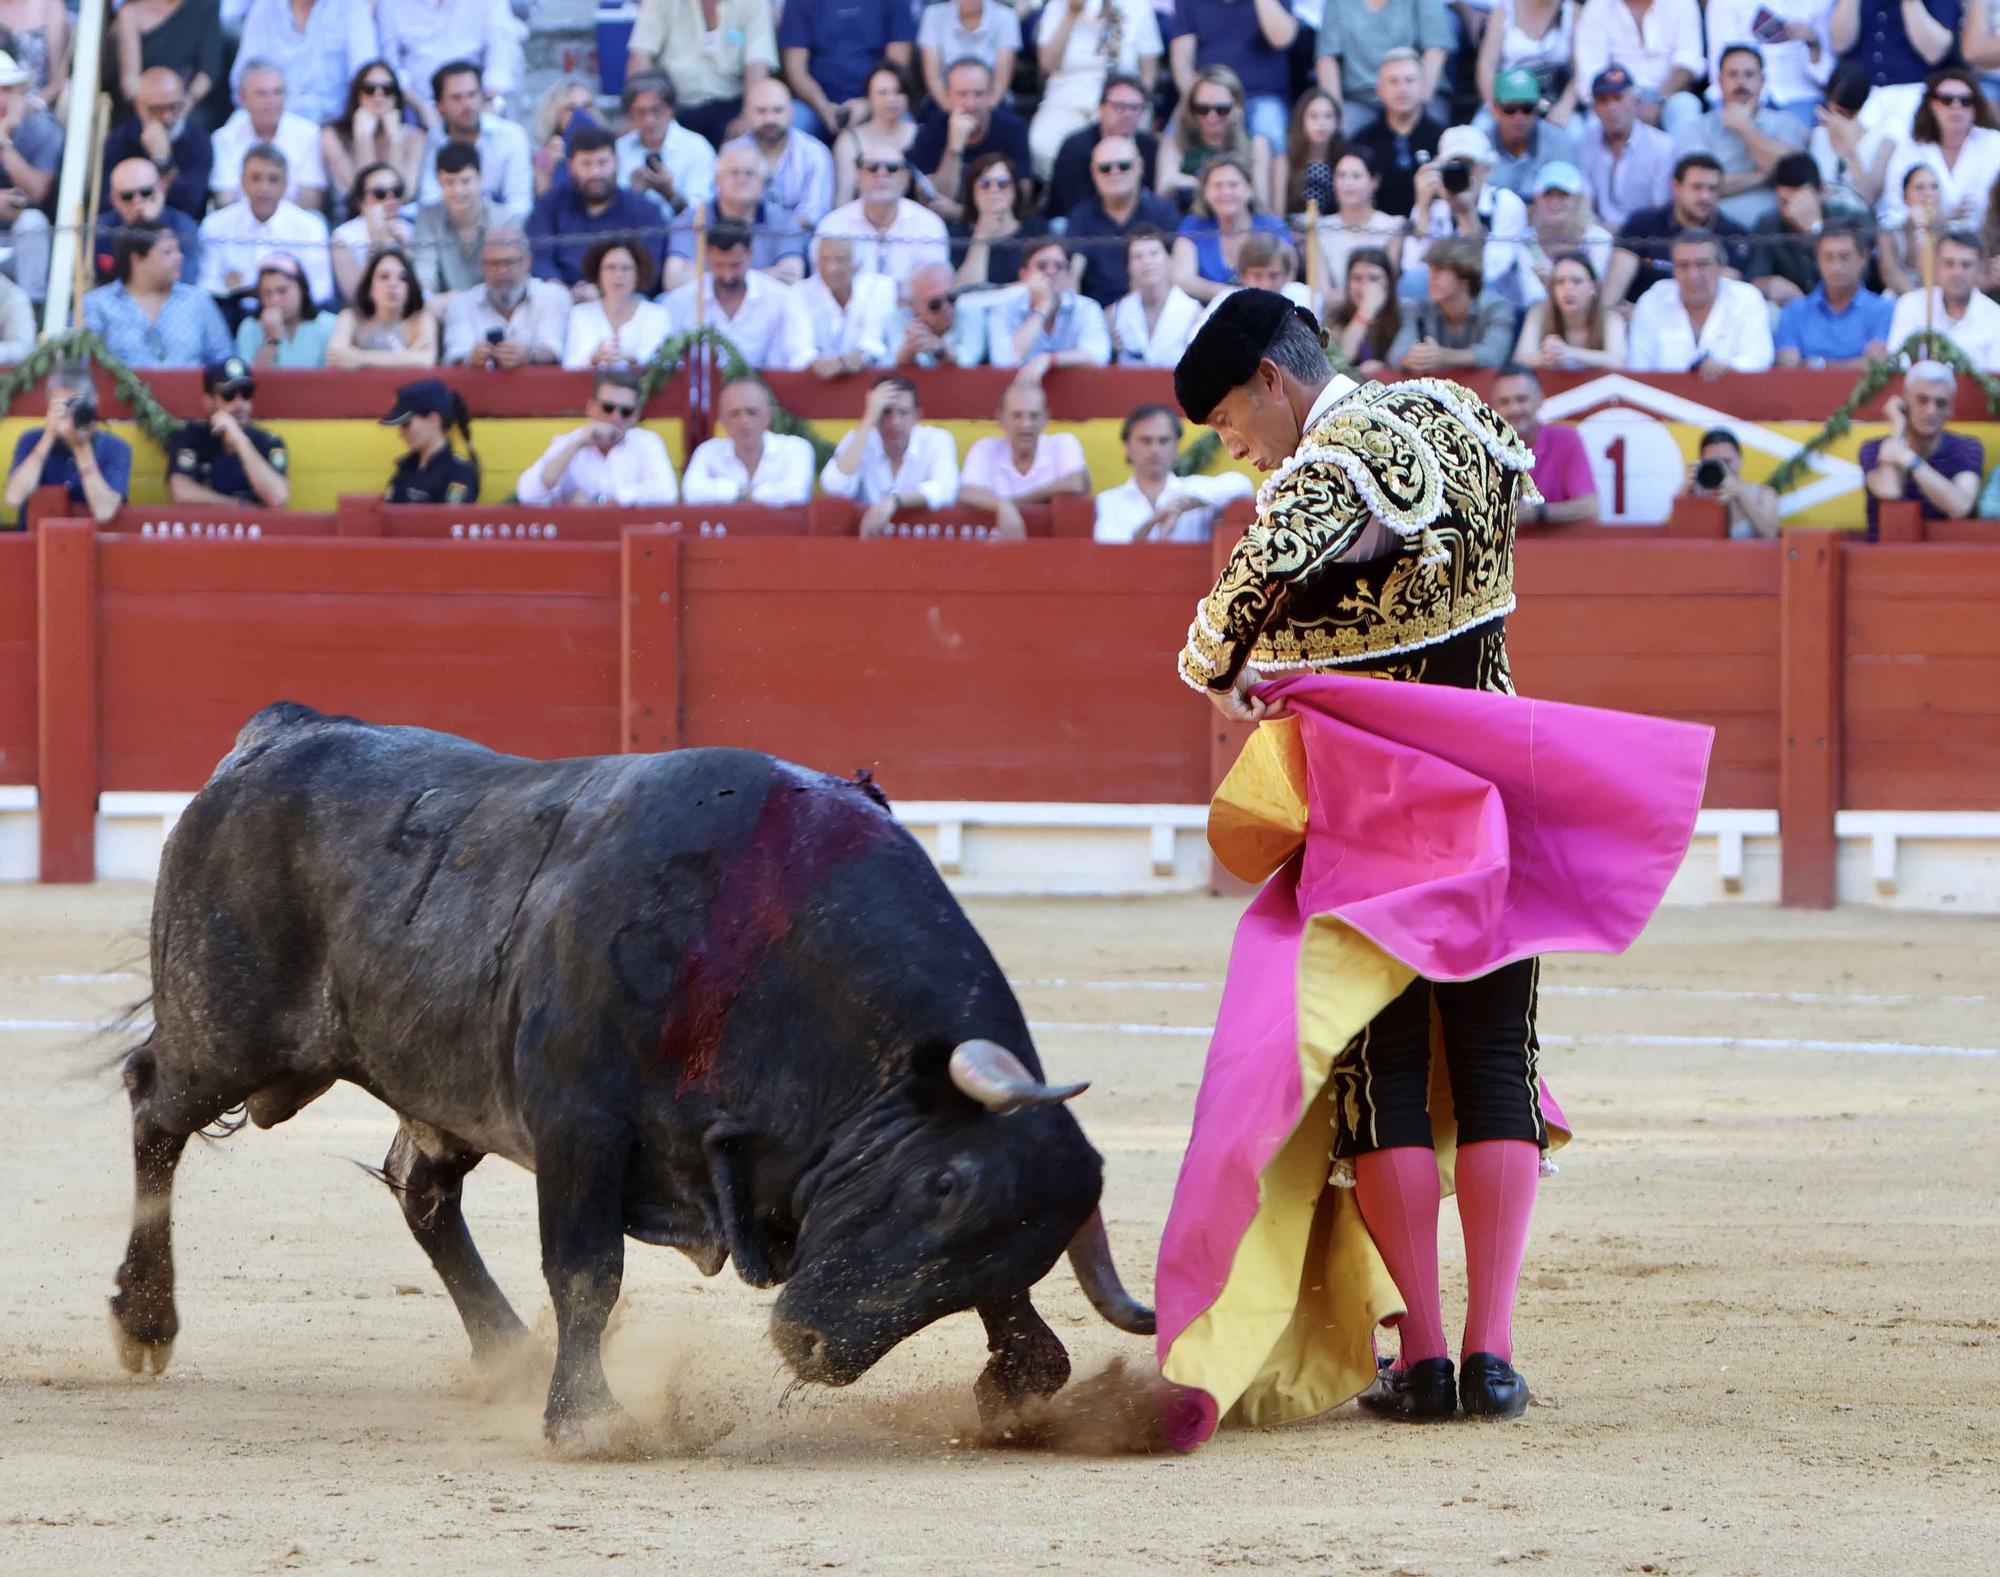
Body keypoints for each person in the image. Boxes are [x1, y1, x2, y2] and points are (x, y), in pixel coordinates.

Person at [1158, 290, 1703, 1447]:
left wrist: (1225, 673)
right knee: (1496, 1058)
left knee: (1384, 1072)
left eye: (1227, 419)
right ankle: (1493, 1357)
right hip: (1497, 795)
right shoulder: (1461, 417)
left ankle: (1428, 1356)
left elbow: (1221, 624)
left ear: (1270, 378)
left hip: (1377, 820)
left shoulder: (1326, 466)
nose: (1235, 446)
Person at [1405, 123, 1538, 311]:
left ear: (1487, 169)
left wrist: (1465, 214)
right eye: (1453, 166)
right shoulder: (1434, 206)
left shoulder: (1505, 203)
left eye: (1468, 166)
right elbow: (1412, 268)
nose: (1461, 173)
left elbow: (1491, 272)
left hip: (1498, 302)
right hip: (1444, 304)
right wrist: (1423, 209)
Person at [1030, 0, 1164, 182]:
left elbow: (1148, 72)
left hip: (1120, 100)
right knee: (1041, 145)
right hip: (1066, 99)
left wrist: (1137, 104)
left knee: (1121, 149)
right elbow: (1048, 64)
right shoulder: (1058, 5)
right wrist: (1071, 14)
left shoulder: (1138, 6)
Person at [526, 127, 666, 297]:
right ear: (571, 167)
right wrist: (561, 291)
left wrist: (601, 291)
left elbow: (649, 268)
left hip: (624, 300)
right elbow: (539, 259)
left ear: (616, 163)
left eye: (602, 163)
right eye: (586, 164)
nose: (595, 173)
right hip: (562, 300)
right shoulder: (549, 206)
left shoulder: (644, 210)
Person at [1687, 44, 1813, 231]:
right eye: (1733, 75)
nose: (1741, 83)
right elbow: (1699, 188)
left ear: (1762, 81)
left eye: (1749, 75)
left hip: (1778, 230)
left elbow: (1793, 175)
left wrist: (1745, 128)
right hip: (1716, 229)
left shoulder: (1786, 123)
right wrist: (1763, 176)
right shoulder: (1699, 127)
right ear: (1720, 81)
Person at [818, 372, 960, 535]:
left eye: (903, 413)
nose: (895, 421)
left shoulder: (937, 439)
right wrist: (868, 420)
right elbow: (834, 487)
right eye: (886, 412)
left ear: (917, 416)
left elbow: (946, 488)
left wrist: (894, 501)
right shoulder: (858, 438)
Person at [662, 221, 816, 370]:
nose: (727, 275)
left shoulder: (781, 298)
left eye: (735, 265)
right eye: (719, 265)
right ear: (707, 256)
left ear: (750, 254)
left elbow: (799, 352)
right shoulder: (680, 301)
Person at [1607, 153, 1756, 305]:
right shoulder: (1642, 223)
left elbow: (1714, 291)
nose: (1705, 196)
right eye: (1697, 187)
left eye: (1712, 189)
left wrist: (1646, 312)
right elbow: (1614, 288)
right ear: (1676, 187)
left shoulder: (1735, 234)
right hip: (1636, 313)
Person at [1091, 401, 1251, 541]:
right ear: (1127, 446)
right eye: (1145, 441)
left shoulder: (1193, 489)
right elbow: (1108, 550)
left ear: (1176, 447)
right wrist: (1152, 522)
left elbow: (1242, 484)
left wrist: (1186, 503)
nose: (1155, 449)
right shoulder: (1109, 501)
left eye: (1164, 441)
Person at [515, 370, 678, 507]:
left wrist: (599, 501)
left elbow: (666, 492)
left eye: (626, 411)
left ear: (635, 416)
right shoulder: (571, 442)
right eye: (608, 408)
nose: (616, 417)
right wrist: (578, 443)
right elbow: (528, 493)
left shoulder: (647, 442)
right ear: (591, 408)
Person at [198, 144, 335, 306]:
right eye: (256, 178)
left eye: (273, 179)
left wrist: (246, 287)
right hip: (233, 312)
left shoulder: (310, 227)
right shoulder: (215, 225)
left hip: (294, 315)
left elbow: (321, 289)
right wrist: (227, 289)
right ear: (242, 183)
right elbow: (205, 286)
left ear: (285, 185)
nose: (264, 188)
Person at [625, 0, 776, 144]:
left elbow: (758, 61)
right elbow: (641, 54)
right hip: (675, 107)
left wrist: (748, 115)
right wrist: (638, 112)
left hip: (731, 106)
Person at [1860, 361, 1983, 537]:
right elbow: (1889, 491)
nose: (1931, 411)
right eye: (1922, 400)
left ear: (1950, 410)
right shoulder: (1873, 448)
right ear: (1905, 402)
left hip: (1946, 558)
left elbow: (1960, 506)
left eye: (1940, 403)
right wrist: (1898, 428)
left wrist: (1909, 459)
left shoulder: (1966, 447)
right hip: (1883, 556)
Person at [85, 223, 233, 368]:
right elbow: (84, 364)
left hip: (189, 391)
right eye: (168, 252)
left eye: (178, 250)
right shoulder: (98, 304)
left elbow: (224, 359)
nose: (179, 257)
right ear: (137, 260)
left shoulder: (197, 300)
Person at [956, 380, 1092, 537]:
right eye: (1017, 416)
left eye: (1034, 416)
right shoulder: (985, 448)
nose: (1026, 425)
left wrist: (1012, 504)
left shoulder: (1063, 443)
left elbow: (1077, 483)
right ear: (1000, 419)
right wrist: (1002, 506)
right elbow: (967, 491)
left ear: (1045, 419)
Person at [1629, 231, 1777, 374]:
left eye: (1702, 265)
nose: (1693, 276)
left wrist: (1730, 366)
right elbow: (1638, 368)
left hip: (1732, 395)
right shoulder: (1652, 300)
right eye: (1683, 265)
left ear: (1721, 268)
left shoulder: (1746, 298)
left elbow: (1759, 360)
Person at [666, 143, 810, 290]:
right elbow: (673, 281)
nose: (742, 179)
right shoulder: (692, 219)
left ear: (763, 183)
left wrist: (707, 275)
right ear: (717, 180)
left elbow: (792, 279)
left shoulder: (784, 220)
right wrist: (767, 274)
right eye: (734, 173)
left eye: (749, 173)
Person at [3, 363, 130, 525]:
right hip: (36, 542)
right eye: (64, 406)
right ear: (50, 406)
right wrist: (48, 437)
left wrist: (81, 447)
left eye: (77, 405)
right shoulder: (31, 440)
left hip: (91, 543)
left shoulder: (116, 448)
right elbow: (14, 498)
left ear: (94, 403)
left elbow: (104, 512)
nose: (71, 413)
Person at [1166, 0, 1298, 154]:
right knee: (1172, 137)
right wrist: (1198, 101)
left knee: (1270, 135)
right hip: (1207, 98)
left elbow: (1282, 39)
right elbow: (1181, 62)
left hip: (1261, 96)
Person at [1879, 66, 2000, 231]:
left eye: (1965, 101)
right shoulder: (1910, 148)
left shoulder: (1995, 144)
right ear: (1931, 105)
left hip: (1984, 245)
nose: (1956, 107)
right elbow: (1893, 210)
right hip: (1923, 245)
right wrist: (1939, 220)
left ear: (1975, 107)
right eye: (1946, 100)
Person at [1066, 133, 1180, 307]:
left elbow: (1176, 270)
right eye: (1105, 168)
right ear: (1093, 172)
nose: (1115, 173)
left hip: (1154, 312)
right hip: (1097, 315)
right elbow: (1073, 274)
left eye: (1124, 165)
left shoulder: (1163, 212)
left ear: (1140, 167)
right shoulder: (1081, 216)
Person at [910, 56, 1031, 219]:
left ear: (990, 95)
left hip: (998, 224)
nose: (970, 104)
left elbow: (1021, 197)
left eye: (978, 94)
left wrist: (962, 213)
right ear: (948, 96)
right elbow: (935, 199)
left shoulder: (1013, 129)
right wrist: (955, 147)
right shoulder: (932, 129)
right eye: (962, 94)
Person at [1314, 0, 1454, 136]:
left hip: (1414, 95)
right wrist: (1334, 112)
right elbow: (1327, 57)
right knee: (1339, 132)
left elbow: (1435, 48)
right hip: (1360, 99)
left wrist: (1419, 102)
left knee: (1434, 131)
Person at [166, 357, 291, 507]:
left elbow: (278, 497)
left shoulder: (268, 442)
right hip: (205, 528)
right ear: (209, 401)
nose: (240, 404)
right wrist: (237, 505)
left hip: (259, 529)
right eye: (229, 395)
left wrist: (240, 440)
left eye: (246, 393)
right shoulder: (190, 437)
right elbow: (182, 493)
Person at [779, 0, 915, 139]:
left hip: (880, 98)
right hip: (814, 104)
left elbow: (896, 66)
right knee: (787, 125)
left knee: (910, 135)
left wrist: (867, 103)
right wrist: (824, 108)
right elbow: (796, 71)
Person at [232, 0, 379, 126]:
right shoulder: (265, 6)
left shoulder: (352, 5)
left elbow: (365, 75)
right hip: (273, 124)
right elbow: (242, 77)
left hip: (330, 128)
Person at [814, 151, 951, 287]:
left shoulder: (929, 224)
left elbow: (933, 287)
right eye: (872, 168)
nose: (881, 174)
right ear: (858, 175)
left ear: (906, 177)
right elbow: (824, 285)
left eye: (892, 168)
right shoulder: (832, 225)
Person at [1572, 0, 1706, 139]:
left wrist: (1658, 100)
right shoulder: (1597, 7)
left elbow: (1689, 61)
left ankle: (1687, 161)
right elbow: (1590, 74)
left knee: (1686, 106)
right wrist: (1626, 104)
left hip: (1668, 94)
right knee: (1594, 124)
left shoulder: (1681, 3)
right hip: (1616, 95)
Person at [420, 60, 532, 222]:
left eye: (472, 95)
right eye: (456, 97)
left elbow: (520, 204)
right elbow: (429, 201)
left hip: (503, 234)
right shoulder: (432, 141)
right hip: (447, 236)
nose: (467, 104)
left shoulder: (511, 135)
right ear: (439, 105)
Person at [1489, 363, 1599, 526]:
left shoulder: (1565, 438)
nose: (1514, 409)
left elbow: (1590, 508)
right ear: (1494, 408)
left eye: (1521, 399)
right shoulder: (1480, 446)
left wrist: (1536, 513)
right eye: (1505, 402)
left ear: (1540, 400)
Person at [442, 225, 569, 366]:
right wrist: (471, 358)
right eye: (493, 263)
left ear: (527, 261)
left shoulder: (552, 296)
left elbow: (553, 350)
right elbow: (455, 355)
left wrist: (528, 356)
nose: (501, 271)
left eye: (509, 262)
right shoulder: (461, 304)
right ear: (482, 265)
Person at [1346, 49, 1451, 218]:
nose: (1402, 89)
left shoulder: (1445, 140)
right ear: (1379, 89)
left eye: (1409, 80)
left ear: (1424, 86)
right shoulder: (1362, 142)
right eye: (1393, 81)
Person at [211, 60, 329, 212]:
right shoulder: (224, 138)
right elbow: (224, 200)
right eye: (262, 93)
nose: (272, 101)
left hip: (294, 226)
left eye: (277, 92)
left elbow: (312, 200)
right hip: (240, 226)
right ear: (242, 98)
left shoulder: (309, 133)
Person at [1173, 154, 1289, 304]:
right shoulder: (1193, 226)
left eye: (1233, 185)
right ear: (1205, 193)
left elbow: (1287, 273)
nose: (1226, 192)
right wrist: (1230, 295)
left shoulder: (1272, 227)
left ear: (1250, 190)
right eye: (1217, 186)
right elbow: (1183, 278)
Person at [682, 377, 817, 505]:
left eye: (752, 412)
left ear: (768, 415)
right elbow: (691, 492)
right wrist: (739, 492)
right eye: (734, 414)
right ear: (722, 420)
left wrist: (741, 494)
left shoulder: (796, 448)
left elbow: (797, 492)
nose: (744, 421)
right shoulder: (708, 451)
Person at [1775, 220, 1893, 365]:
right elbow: (1788, 366)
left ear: (1863, 258)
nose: (1836, 267)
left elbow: (1876, 365)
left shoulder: (1884, 310)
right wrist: (1856, 363)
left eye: (1845, 257)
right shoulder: (1794, 311)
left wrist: (1813, 364)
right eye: (1828, 257)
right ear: (1818, 260)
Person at [100, 66, 210, 221]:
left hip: (175, 228)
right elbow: (105, 202)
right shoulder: (120, 140)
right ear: (139, 106)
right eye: (157, 109)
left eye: (175, 107)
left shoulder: (198, 140)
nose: (167, 117)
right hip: (125, 225)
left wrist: (163, 161)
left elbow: (190, 205)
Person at [1573, 65, 1675, 231]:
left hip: (1648, 238)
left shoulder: (1662, 147)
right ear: (1594, 108)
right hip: (1599, 236)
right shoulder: (1583, 145)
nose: (1611, 107)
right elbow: (1585, 207)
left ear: (1636, 102)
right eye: (1603, 100)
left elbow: (1660, 210)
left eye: (1617, 98)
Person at [1388, 238, 1515, 371]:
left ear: (1466, 275)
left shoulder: (1497, 307)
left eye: (1441, 270)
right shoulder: (1419, 308)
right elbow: (1396, 354)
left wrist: (1444, 357)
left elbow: (1495, 355)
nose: (1432, 277)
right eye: (1431, 269)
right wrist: (1412, 359)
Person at [322, 61, 428, 221]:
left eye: (387, 89)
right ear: (357, 95)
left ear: (396, 95)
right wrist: (363, 139)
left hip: (400, 221)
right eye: (369, 90)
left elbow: (403, 196)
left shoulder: (415, 137)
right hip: (350, 221)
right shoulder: (332, 135)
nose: (378, 97)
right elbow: (361, 196)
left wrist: (395, 141)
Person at [1045, 70, 1160, 217]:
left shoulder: (1149, 147)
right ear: (1101, 108)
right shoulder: (1075, 148)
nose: (1128, 114)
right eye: (1119, 106)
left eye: (1135, 108)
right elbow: (1073, 205)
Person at [989, 237, 1113, 373]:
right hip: (1019, 390)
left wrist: (1050, 360)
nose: (1051, 272)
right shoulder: (1004, 310)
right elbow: (1004, 361)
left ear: (1068, 275)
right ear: (1024, 275)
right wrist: (1041, 309)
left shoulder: (1087, 308)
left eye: (1059, 266)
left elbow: (1099, 356)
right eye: (1042, 266)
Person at [377, 0, 518, 117]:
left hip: (479, 101)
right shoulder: (390, 4)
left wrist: (489, 102)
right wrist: (422, 108)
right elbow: (390, 64)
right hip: (418, 106)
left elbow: (501, 53)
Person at [1158, 65, 1269, 210]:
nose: (1212, 116)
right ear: (1191, 109)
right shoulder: (1175, 142)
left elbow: (1260, 202)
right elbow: (1164, 189)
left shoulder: (1255, 144)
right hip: (1187, 226)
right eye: (1202, 109)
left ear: (1237, 107)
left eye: (1222, 109)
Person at [729, 78, 834, 229]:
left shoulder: (815, 153)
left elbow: (813, 215)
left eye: (778, 110)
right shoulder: (731, 153)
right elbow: (724, 208)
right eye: (761, 111)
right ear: (746, 114)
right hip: (743, 241)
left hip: (799, 241)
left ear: (791, 112)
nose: (770, 119)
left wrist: (773, 234)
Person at [1886, 227, 2000, 365]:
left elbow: (1994, 377)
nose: (1957, 272)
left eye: (1966, 265)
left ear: (1980, 268)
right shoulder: (1911, 305)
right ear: (1936, 266)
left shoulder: (1995, 317)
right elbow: (1897, 363)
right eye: (1949, 263)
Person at [1707, 0, 1833, 123]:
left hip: (1798, 95)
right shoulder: (1723, 2)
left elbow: (1825, 76)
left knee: (1798, 135)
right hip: (1739, 93)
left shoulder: (1820, 3)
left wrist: (1812, 41)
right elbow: (1721, 68)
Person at [1311, 148, 1407, 309]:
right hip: (1335, 316)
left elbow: (1387, 288)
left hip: (1380, 314)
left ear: (1374, 182)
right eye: (1341, 176)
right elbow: (1324, 294)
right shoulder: (1320, 229)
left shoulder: (1393, 227)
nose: (1348, 183)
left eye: (1356, 176)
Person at [616, 72, 715, 224]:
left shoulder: (697, 148)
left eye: (656, 110)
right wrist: (633, 196)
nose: (649, 120)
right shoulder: (619, 149)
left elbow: (703, 216)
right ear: (631, 115)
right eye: (641, 112)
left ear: (671, 110)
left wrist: (670, 193)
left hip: (684, 239)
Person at [0, 49, 59, 302]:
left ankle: (32, 324)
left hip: (19, 244)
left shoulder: (43, 131)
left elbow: (37, 192)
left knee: (32, 222)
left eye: (8, 90)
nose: (1, 100)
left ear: (22, 95)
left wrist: (4, 144)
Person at [113, 0, 224, 127]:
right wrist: (152, 111)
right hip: (145, 106)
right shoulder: (129, 13)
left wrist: (183, 105)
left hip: (188, 107)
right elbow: (130, 81)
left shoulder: (205, 6)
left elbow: (208, 71)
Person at [94, 156, 201, 286]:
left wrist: (150, 227)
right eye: (127, 196)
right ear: (114, 199)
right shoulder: (99, 229)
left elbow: (183, 283)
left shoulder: (183, 226)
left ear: (161, 189)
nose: (137, 201)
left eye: (146, 192)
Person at [799, 234, 898, 374]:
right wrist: (815, 361)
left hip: (868, 377)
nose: (831, 268)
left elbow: (874, 339)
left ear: (857, 264)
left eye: (840, 260)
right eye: (824, 259)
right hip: (815, 381)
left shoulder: (881, 287)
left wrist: (861, 356)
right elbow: (798, 347)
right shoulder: (798, 292)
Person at [1475, 0, 1582, 130]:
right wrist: (1496, 108)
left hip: (1553, 99)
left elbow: (1582, 69)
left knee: (1576, 132)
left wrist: (1565, 106)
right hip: (1510, 99)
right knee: (1480, 131)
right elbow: (1486, 66)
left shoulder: (1572, 12)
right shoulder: (1504, 10)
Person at [1513, 248, 1627, 367]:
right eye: (1560, 282)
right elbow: (1521, 359)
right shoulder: (1539, 312)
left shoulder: (1611, 318)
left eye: (1577, 281)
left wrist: (1569, 353)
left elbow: (1618, 361)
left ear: (1594, 287)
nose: (1568, 288)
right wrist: (1546, 357)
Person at [411, 143, 499, 297]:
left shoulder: (503, 218)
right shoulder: (428, 216)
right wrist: (428, 298)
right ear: (439, 181)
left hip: (492, 304)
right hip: (445, 305)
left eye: (465, 181)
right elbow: (424, 271)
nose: (458, 190)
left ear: (480, 179)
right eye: (449, 182)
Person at [327, 247, 439, 367]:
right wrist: (409, 355)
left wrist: (359, 358)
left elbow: (426, 360)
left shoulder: (422, 319)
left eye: (402, 278)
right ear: (370, 287)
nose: (393, 283)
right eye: (384, 276)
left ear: (409, 287)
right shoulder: (351, 317)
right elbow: (335, 356)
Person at [951, 152, 1048, 288]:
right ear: (972, 192)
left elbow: (1043, 283)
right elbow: (966, 292)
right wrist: (981, 236)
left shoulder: (1037, 230)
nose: (994, 190)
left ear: (1014, 190)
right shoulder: (957, 236)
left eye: (1003, 184)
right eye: (985, 184)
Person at [1111, 225, 1204, 365]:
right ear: (1128, 267)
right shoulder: (1114, 314)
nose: (1147, 262)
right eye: (1137, 256)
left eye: (1153, 253)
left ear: (1169, 259)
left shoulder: (1195, 313)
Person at [1812, 58, 1895, 211]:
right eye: (1837, 111)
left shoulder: (1883, 143)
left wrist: (1850, 150)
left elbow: (1869, 198)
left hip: (1861, 225)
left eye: (1847, 114)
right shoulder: (1815, 137)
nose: (1840, 119)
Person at [379, 377, 478, 503]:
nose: (401, 433)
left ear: (433, 420)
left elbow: (448, 520)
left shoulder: (459, 474)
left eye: (406, 424)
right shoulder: (406, 468)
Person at [1485, 68, 1577, 201]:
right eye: (1510, 109)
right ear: (1495, 108)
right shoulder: (1481, 144)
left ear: (1537, 108)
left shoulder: (1558, 142)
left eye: (1527, 108)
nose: (1519, 117)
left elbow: (1571, 199)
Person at [328, 162, 413, 304]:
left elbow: (421, 290)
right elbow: (354, 296)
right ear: (361, 201)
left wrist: (407, 249)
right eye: (380, 193)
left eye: (397, 191)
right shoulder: (343, 236)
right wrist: (377, 244)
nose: (390, 199)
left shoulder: (410, 230)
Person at [1520, 161, 1613, 288]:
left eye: (1564, 194)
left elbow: (1591, 293)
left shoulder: (1598, 240)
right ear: (1537, 199)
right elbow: (1532, 297)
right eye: (1547, 194)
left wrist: (1551, 283)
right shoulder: (1526, 241)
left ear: (1578, 199)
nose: (1554, 201)